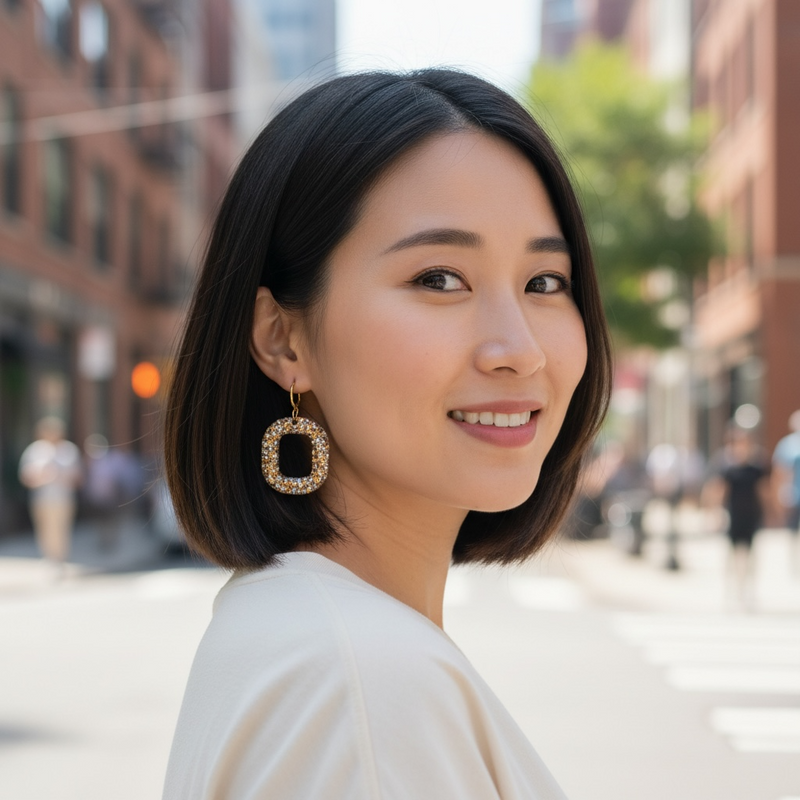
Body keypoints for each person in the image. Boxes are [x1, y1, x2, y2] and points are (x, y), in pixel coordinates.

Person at [162, 69, 612, 799]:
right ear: (283, 340)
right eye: (439, 278)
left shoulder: (296, 626)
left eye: (545, 282)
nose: (520, 349)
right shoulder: (362, 680)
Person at [704, 426, 770, 609]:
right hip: (733, 517)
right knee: (732, 555)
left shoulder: (756, 468)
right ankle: (731, 590)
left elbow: (764, 491)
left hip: (751, 516)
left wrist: (771, 512)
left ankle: (747, 590)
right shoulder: (727, 468)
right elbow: (719, 491)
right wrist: (714, 514)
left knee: (749, 555)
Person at [18, 417, 82, 576]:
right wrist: (41, 476)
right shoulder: (35, 450)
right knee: (44, 528)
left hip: (63, 498)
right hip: (41, 498)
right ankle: (49, 558)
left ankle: (60, 559)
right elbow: (25, 476)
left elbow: (79, 477)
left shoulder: (69, 450)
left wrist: (61, 476)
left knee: (61, 528)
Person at [773, 409, 800, 531]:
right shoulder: (787, 445)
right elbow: (779, 472)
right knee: (792, 529)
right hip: (793, 495)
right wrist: (778, 496)